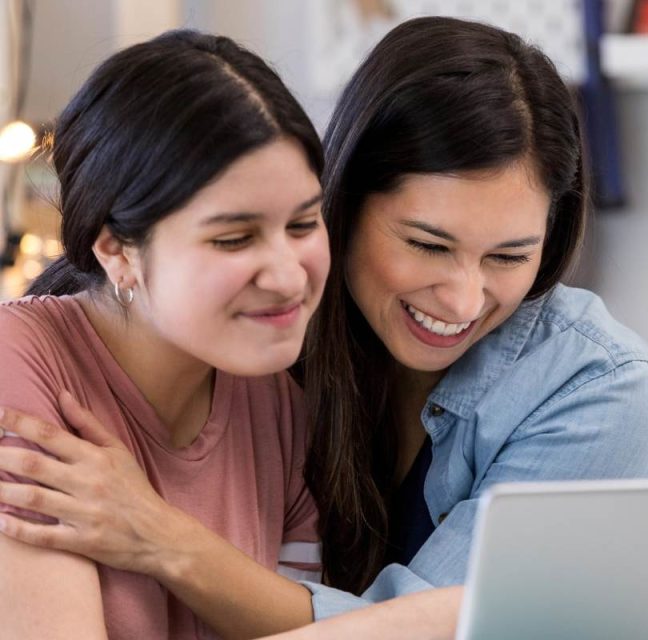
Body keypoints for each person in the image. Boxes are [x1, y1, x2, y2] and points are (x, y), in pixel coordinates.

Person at [0, 16, 648, 634]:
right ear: (347, 203)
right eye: (427, 245)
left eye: (509, 256)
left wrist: (159, 536)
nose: (465, 299)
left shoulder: (593, 387)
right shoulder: (264, 354)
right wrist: (467, 617)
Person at [0, 29, 458, 640]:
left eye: (302, 223)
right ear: (117, 251)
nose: (289, 274)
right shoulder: (19, 373)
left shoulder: (278, 409)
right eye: (234, 238)